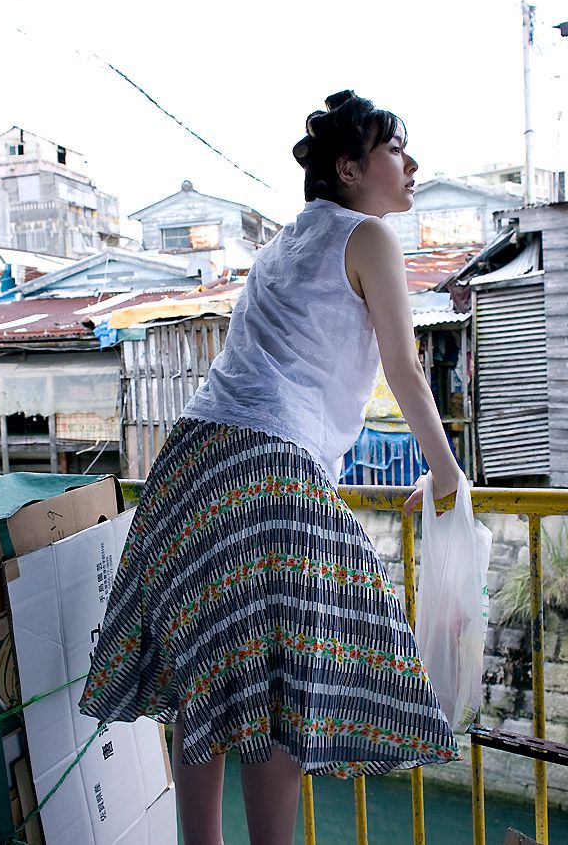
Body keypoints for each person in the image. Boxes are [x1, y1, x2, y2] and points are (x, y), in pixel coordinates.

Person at [79, 90, 465, 845]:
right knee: (279, 679)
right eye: (394, 148)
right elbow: (405, 367)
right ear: (351, 169)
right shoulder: (370, 237)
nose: (411, 164)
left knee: (212, 672)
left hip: (191, 461)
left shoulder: (284, 243)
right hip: (266, 464)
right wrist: (449, 475)